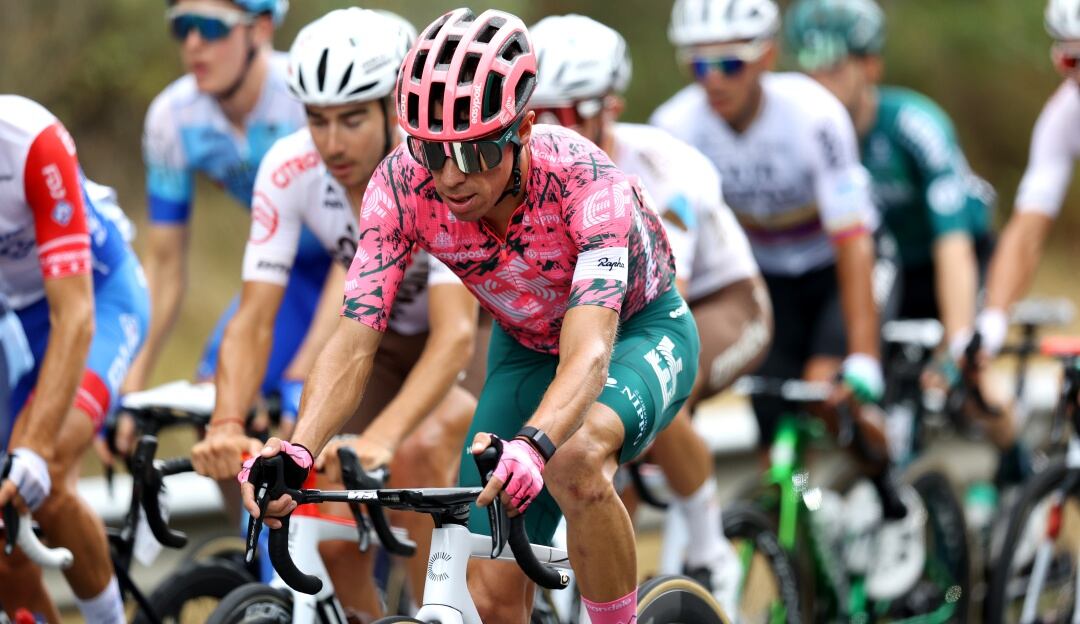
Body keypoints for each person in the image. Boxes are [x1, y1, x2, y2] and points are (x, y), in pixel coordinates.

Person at [241, 8, 700, 624]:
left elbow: (590, 350)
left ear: (526, 129)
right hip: (524, 346)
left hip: (637, 331)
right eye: (431, 149)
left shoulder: (587, 183)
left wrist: (535, 445)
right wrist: (299, 449)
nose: (452, 177)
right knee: (486, 591)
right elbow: (354, 341)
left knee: (576, 457)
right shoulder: (401, 185)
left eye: (478, 149)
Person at [190, 9, 478, 617]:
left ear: (396, 108)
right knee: (324, 496)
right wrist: (224, 420)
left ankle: (448, 608)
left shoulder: (438, 169)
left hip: (473, 337)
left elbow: (452, 337)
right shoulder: (289, 167)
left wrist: (380, 438)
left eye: (351, 119)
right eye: (316, 120)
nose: (331, 143)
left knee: (420, 449)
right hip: (382, 343)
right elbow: (253, 318)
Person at [651, 0, 921, 600]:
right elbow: (676, 255)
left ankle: (892, 496)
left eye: (728, 63)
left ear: (767, 57)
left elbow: (853, 241)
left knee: (830, 394)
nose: (713, 80)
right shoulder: (676, 126)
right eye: (697, 67)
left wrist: (862, 357)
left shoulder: (812, 114)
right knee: (774, 425)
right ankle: (813, 539)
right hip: (765, 282)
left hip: (840, 266)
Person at [529, 13, 771, 613]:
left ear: (607, 106)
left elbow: (665, 295)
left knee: (655, 398)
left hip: (715, 303)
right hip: (595, 313)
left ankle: (710, 548)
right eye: (539, 115)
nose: (552, 131)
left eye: (568, 113)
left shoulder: (665, 165)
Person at [784, 0, 1030, 507]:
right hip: (883, 269)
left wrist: (959, 340)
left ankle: (1019, 470)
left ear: (870, 65)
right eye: (807, 69)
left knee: (973, 379)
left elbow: (953, 242)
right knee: (864, 396)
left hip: (953, 258)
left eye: (833, 66)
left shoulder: (913, 126)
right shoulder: (805, 132)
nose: (819, 85)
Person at [126, 0, 325, 422]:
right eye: (182, 27)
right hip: (287, 273)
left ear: (261, 29)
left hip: (363, 267)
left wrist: (303, 370)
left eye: (210, 27)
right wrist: (128, 388)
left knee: (309, 407)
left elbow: (364, 236)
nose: (194, 43)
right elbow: (163, 266)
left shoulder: (308, 97)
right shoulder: (173, 118)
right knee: (216, 406)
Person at [0, 95, 149, 623]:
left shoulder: (30, 141)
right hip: (16, 320)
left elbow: (76, 317)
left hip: (96, 298)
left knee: (47, 473)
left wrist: (35, 448)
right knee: (2, 527)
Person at [971, 0, 1080, 417]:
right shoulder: (1065, 115)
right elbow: (1026, 231)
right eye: (1073, 59)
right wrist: (992, 324)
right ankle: (801, 484)